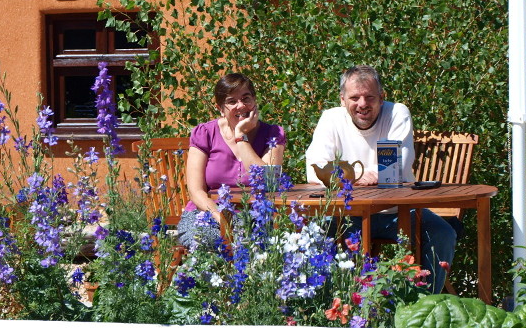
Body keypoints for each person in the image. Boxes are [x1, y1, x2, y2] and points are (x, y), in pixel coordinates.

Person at [304, 65, 455, 294]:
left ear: (382, 97)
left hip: (399, 211)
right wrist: (362, 175)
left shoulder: (397, 113)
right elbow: (314, 170)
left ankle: (423, 306)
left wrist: (344, 175)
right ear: (342, 99)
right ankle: (330, 304)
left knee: (442, 233)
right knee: (312, 232)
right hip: (348, 214)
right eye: (354, 97)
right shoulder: (331, 119)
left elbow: (396, 167)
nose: (362, 104)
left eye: (369, 97)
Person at [179, 73, 286, 248]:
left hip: (256, 215)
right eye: (232, 102)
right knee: (208, 241)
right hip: (207, 214)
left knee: (268, 244)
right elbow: (196, 191)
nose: (241, 106)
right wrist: (221, 217)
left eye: (246, 98)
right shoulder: (205, 133)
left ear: (255, 101)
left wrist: (241, 137)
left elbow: (268, 182)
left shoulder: (273, 134)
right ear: (220, 108)